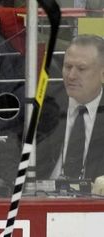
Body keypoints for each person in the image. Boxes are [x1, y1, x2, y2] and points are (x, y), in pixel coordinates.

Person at [36, 34, 104, 185]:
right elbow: (11, 152)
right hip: (41, 199)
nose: (71, 76)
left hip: (95, 202)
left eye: (81, 69)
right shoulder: (44, 103)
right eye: (67, 67)